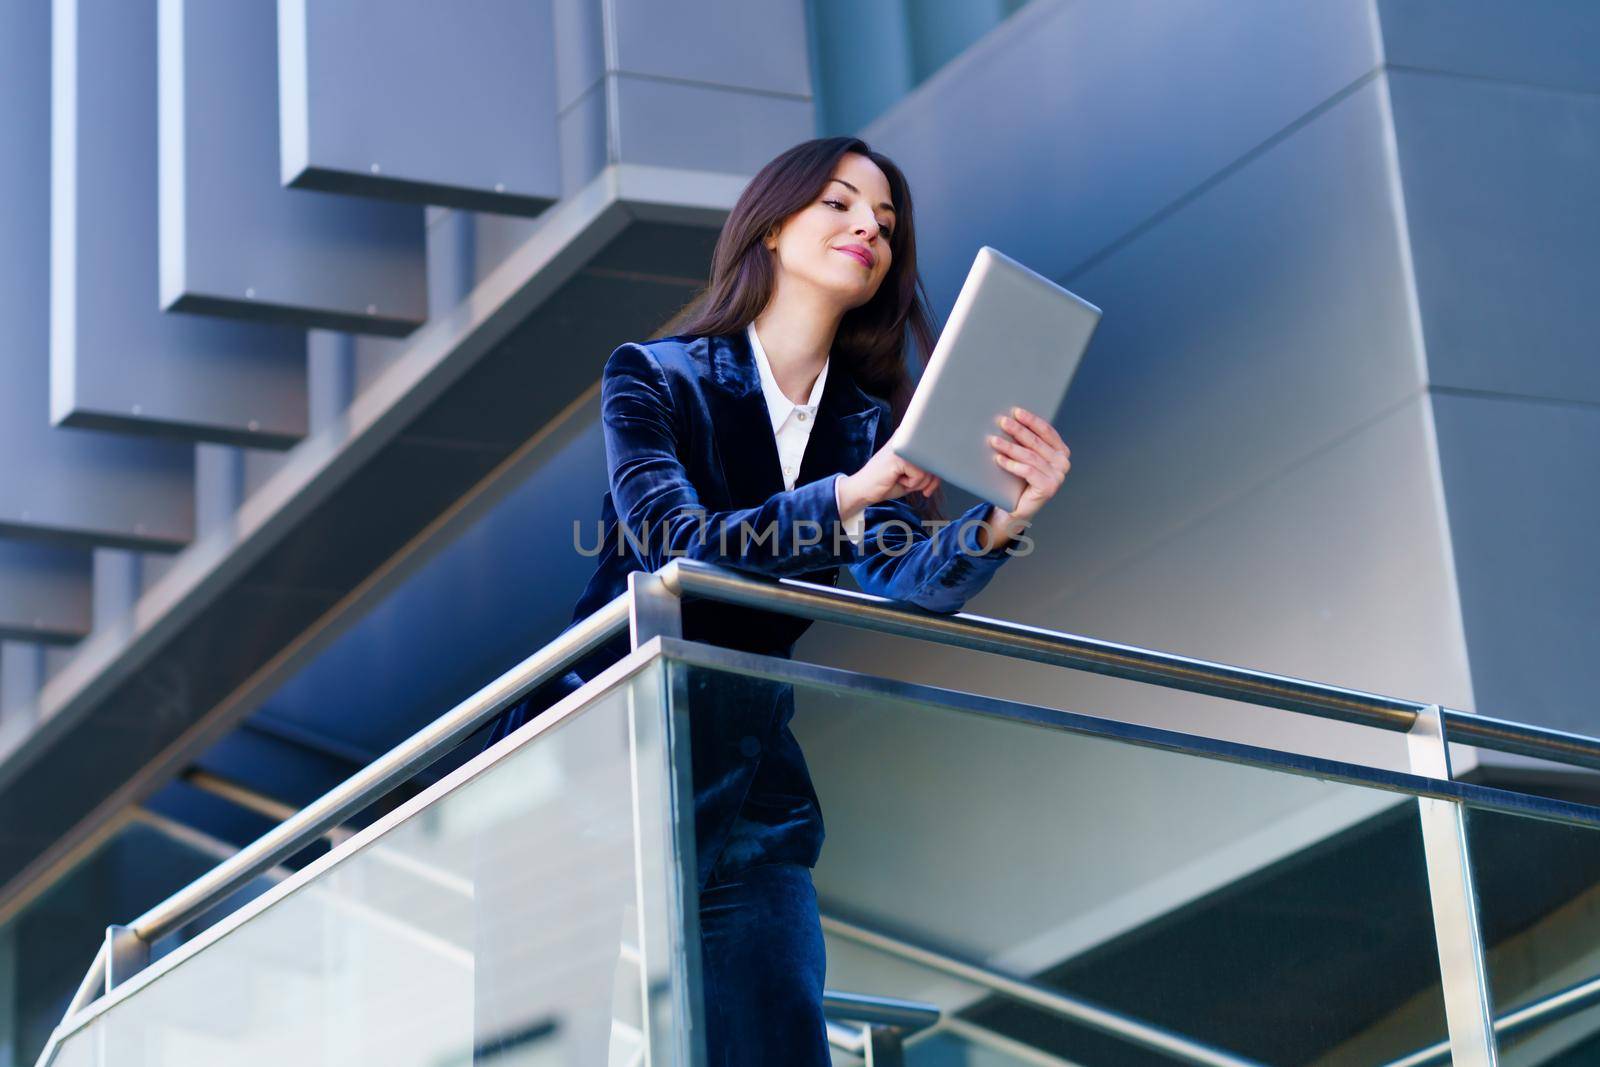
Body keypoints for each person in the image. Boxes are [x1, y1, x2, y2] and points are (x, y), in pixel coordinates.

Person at [484, 136, 1071, 1065]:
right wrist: (846, 495)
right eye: (839, 203)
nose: (867, 228)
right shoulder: (654, 375)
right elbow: (675, 541)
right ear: (771, 225)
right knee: (540, 1049)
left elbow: (903, 585)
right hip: (588, 763)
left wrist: (1004, 518)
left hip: (749, 782)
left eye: (884, 221)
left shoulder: (867, 428)